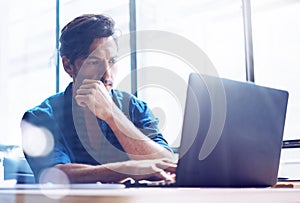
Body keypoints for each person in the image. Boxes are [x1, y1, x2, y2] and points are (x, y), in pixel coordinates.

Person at [21, 14, 176, 184]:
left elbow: (167, 163)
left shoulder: (135, 108)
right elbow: (54, 174)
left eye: (112, 61)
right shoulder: (39, 118)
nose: (107, 74)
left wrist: (113, 115)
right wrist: (127, 168)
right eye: (94, 62)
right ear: (68, 66)